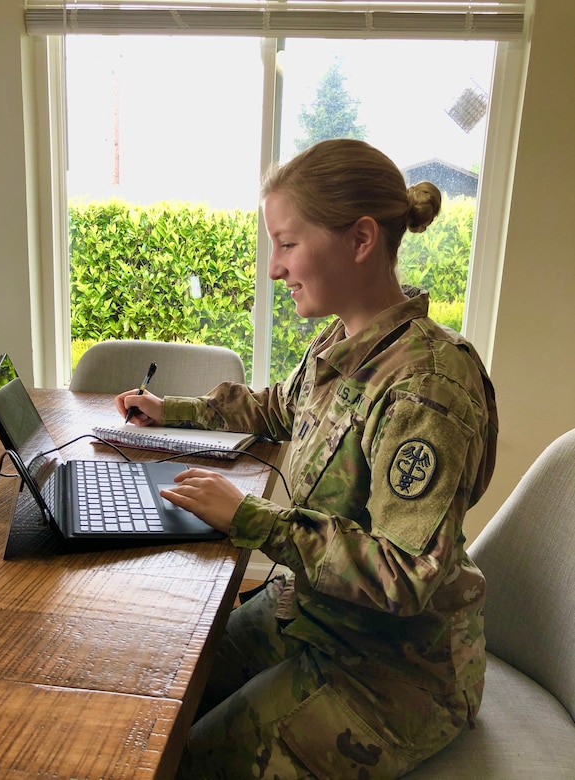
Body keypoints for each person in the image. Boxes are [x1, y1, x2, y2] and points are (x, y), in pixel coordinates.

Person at [114, 138, 498, 779]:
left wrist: (251, 519)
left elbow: (403, 577)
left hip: (397, 670)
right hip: (321, 613)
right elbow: (280, 408)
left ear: (361, 239)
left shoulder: (427, 386)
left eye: (288, 244)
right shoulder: (345, 338)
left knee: (186, 763)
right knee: (161, 699)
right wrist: (171, 409)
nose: (273, 268)